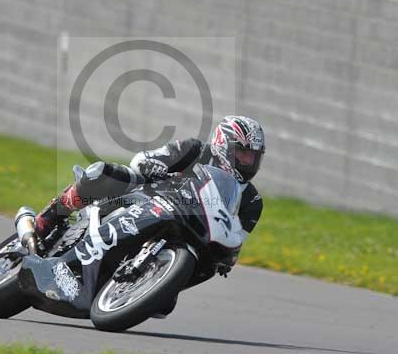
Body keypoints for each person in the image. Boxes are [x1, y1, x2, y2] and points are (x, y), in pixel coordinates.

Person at [29, 116, 266, 276]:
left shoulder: (252, 202)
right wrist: (153, 167)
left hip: (194, 230)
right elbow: (143, 159)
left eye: (253, 157)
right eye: (243, 153)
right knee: (105, 174)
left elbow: (236, 236)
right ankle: (48, 217)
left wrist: (228, 257)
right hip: (149, 198)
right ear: (223, 144)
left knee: (207, 269)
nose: (248, 161)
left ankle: (147, 281)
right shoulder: (195, 150)